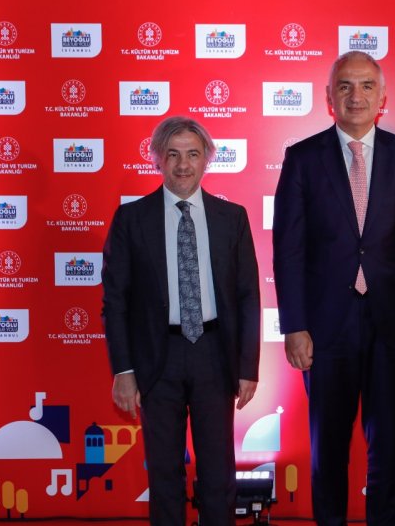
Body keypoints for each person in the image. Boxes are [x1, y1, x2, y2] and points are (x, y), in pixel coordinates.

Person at [273, 51, 395, 525]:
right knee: (328, 446)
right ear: (329, 96)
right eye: (344, 86)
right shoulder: (302, 158)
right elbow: (288, 250)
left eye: (367, 85)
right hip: (325, 329)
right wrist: (294, 326)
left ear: (383, 96)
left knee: (388, 446)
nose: (356, 95)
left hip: (391, 325)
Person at [102, 116, 261, 525]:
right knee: (164, 474)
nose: (183, 165)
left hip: (214, 356)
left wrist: (248, 367)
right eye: (173, 155)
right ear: (157, 159)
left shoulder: (233, 218)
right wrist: (124, 371)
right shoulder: (131, 220)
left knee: (218, 475)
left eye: (192, 154)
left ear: (207, 158)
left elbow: (248, 296)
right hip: (157, 360)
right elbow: (115, 302)